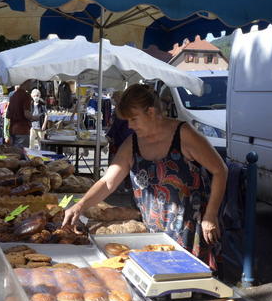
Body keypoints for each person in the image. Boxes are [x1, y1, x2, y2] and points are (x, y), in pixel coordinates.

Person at [62, 84, 228, 264]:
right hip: (153, 232)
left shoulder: (184, 134)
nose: (130, 125)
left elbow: (220, 170)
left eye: (134, 119)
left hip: (192, 231)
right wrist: (80, 205)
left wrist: (210, 215)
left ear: (150, 112)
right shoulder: (131, 143)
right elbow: (108, 182)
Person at [6, 79, 39, 149]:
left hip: (12, 129)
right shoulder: (26, 95)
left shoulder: (13, 96)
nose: (31, 85)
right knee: (21, 155)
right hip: (22, 130)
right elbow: (26, 114)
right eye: (30, 82)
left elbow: (8, 115)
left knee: (14, 155)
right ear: (25, 82)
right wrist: (35, 118)